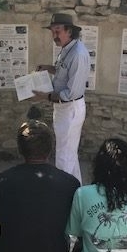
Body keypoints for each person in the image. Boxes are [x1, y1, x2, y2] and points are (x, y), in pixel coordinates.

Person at [0, 120, 80, 252]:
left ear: (20, 149)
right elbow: (72, 228)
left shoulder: (0, 181)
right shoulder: (70, 183)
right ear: (50, 148)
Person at [32, 13, 90, 183]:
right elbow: (62, 71)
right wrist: (47, 68)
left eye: (58, 31)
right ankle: (75, 190)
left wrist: (45, 96)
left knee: (64, 156)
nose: (54, 35)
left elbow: (70, 93)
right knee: (68, 152)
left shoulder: (78, 54)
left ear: (69, 31)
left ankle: (61, 192)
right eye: (52, 31)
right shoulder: (67, 49)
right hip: (64, 107)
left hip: (70, 108)